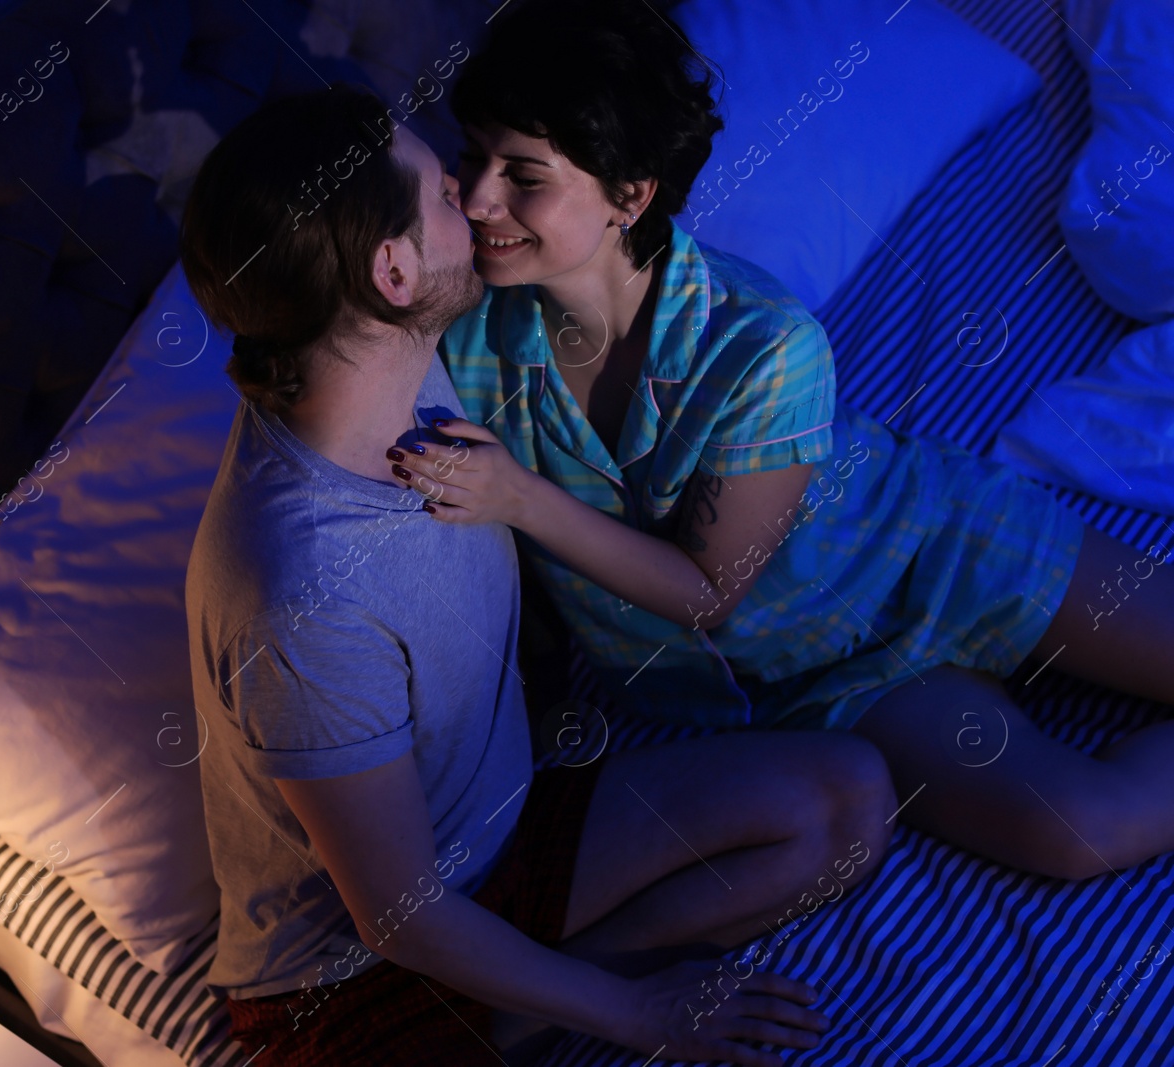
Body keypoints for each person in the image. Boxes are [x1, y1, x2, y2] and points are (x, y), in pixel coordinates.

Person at [180, 83, 896, 1067]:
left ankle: (525, 1006)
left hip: (505, 833)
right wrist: (644, 1014)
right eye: (440, 192)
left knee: (847, 799)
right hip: (357, 968)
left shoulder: (381, 358)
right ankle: (523, 1009)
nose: (473, 205)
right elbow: (397, 913)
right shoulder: (301, 594)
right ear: (391, 270)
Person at [385, 0, 1174, 883]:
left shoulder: (764, 343)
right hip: (822, 674)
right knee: (1079, 831)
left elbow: (708, 590)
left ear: (631, 193)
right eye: (471, 157)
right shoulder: (467, 341)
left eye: (524, 175)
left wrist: (521, 499)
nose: (478, 196)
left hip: (934, 549)